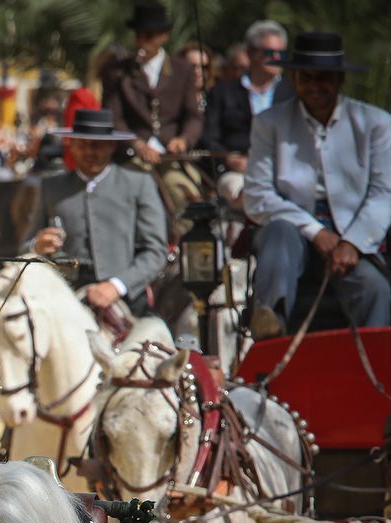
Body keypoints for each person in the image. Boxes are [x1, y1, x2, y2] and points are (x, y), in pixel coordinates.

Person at [244, 32, 391, 336]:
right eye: (306, 77)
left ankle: (373, 374)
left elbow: (385, 194)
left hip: (353, 232)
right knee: (278, 233)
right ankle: (270, 327)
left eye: (324, 78)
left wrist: (352, 242)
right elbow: (257, 194)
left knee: (374, 288)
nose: (315, 86)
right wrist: (315, 232)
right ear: (294, 78)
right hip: (293, 230)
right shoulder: (269, 123)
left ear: (340, 79)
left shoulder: (374, 122)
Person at [23, 110, 169, 320]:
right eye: (82, 144)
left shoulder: (138, 184)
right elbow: (23, 248)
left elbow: (156, 251)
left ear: (111, 146)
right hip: (63, 297)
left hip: (124, 299)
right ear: (71, 145)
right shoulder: (51, 187)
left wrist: (117, 286)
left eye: (98, 145)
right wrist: (36, 247)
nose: (90, 152)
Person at [203, 21, 293, 206]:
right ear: (251, 53)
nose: (276, 58)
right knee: (245, 193)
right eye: (269, 53)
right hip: (237, 174)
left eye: (281, 53)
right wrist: (228, 158)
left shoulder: (294, 94)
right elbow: (209, 136)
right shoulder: (222, 92)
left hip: (285, 172)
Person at [104, 2, 202, 166]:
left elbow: (193, 116)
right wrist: (136, 144)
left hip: (171, 156)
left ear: (164, 36)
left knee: (183, 190)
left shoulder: (182, 69)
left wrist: (183, 140)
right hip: (131, 156)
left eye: (149, 35)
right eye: (138, 35)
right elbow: (114, 117)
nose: (142, 41)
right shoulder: (118, 72)